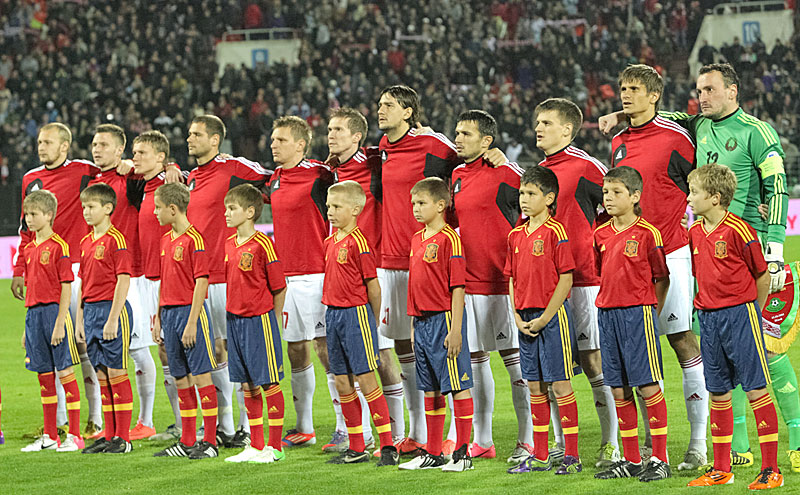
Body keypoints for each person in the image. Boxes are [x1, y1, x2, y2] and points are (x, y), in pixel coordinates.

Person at [606, 65, 707, 470]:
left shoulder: (675, 138)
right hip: (628, 261)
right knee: (637, 351)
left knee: (681, 340)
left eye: (634, 89)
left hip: (671, 255)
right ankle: (649, 446)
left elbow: (696, 187)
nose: (625, 95)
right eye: (622, 88)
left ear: (654, 95)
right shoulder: (617, 142)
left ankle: (698, 444)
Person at [685, 163, 783, 490]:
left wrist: (752, 312)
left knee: (755, 388)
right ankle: (721, 468)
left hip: (740, 315)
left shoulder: (738, 230)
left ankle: (771, 469)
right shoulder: (695, 231)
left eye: (694, 192)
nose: (689, 198)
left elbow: (762, 274)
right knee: (718, 391)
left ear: (714, 198)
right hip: (709, 320)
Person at [534, 98, 619, 467]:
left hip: (585, 279)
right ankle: (558, 441)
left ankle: (611, 441)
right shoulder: (537, 171)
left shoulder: (587, 167)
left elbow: (619, 208)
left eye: (547, 122)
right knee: (551, 364)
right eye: (538, 121)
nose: (539, 127)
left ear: (567, 129)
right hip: (548, 284)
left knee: (593, 359)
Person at [377, 85, 461, 455]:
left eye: (389, 105)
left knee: (440, 347)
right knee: (401, 346)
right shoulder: (381, 147)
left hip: (427, 259)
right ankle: (418, 429)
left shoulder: (433, 145)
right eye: (380, 104)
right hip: (390, 260)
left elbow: (466, 163)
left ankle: (457, 432)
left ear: (409, 112)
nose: (381, 110)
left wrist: (494, 153)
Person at [450, 109, 534, 463]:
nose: (457, 138)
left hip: (502, 282)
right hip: (470, 283)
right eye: (456, 132)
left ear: (487, 141)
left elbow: (539, 198)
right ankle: (482, 439)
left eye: (466, 134)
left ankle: (527, 439)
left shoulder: (506, 173)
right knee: (476, 361)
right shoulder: (455, 175)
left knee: (516, 365)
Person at [11, 123, 104, 439]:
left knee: (84, 342)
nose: (41, 146)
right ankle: (60, 422)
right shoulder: (30, 178)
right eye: (39, 141)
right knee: (53, 346)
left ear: (65, 146)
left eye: (48, 142)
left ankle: (96, 418)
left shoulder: (84, 171)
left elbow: (116, 175)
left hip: (77, 267)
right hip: (42, 270)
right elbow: (25, 231)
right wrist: (19, 269)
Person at [187, 114, 271, 447]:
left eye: (197, 134)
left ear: (215, 140)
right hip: (200, 276)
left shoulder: (233, 167)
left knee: (236, 350)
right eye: (190, 134)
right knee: (214, 352)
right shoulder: (192, 176)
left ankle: (247, 427)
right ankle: (224, 426)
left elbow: (270, 178)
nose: (190, 138)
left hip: (228, 274)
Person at [325, 107, 404, 453]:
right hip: (337, 279)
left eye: (339, 129)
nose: (331, 135)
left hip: (375, 266)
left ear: (357, 136)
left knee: (382, 359)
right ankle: (356, 437)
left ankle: (395, 434)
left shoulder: (376, 159)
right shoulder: (328, 170)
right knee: (337, 367)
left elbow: (403, 147)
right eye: (329, 128)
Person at [592, 166, 672, 482]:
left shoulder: (647, 233)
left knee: (648, 385)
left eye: (616, 192)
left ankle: (660, 459)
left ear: (635, 196)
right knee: (618, 387)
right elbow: (601, 273)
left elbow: (662, 278)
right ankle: (631, 459)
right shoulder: (599, 234)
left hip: (638, 314)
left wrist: (651, 312)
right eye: (605, 192)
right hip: (607, 314)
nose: (608, 198)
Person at [504, 166, 582, 475]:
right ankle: (539, 454)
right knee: (534, 387)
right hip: (524, 320)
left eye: (531, 194)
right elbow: (511, 279)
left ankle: (572, 457)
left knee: (560, 385)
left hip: (551, 319)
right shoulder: (515, 235)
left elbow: (566, 279)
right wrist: (517, 318)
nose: (523, 199)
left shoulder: (556, 232)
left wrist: (545, 318)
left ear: (549, 198)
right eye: (522, 193)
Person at [320, 180, 399, 467]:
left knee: (366, 378)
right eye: (329, 206)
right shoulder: (330, 242)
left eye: (337, 207)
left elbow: (373, 286)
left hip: (356, 315)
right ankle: (356, 446)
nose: (330, 211)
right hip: (333, 315)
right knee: (342, 380)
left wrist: (373, 319)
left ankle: (388, 445)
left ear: (355, 210)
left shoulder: (359, 242)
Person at [398, 177, 474, 472]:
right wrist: (415, 323)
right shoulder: (418, 238)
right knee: (430, 388)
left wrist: (455, 329)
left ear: (441, 205)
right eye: (414, 203)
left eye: (422, 203)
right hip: (422, 321)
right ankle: (432, 452)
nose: (416, 209)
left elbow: (458, 287)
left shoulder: (449, 239)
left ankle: (463, 454)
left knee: (457, 385)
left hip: (445, 320)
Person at [266, 116, 334, 447]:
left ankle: (346, 426)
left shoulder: (321, 175)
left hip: (318, 274)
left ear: (300, 145)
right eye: (272, 140)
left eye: (280, 140)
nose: (273, 145)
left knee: (326, 348)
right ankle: (304, 427)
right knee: (295, 348)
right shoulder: (275, 179)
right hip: (286, 278)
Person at [89, 124, 155, 441]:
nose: (96, 149)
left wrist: (170, 168)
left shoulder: (131, 178)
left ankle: (145, 419)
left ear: (119, 151)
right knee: (107, 352)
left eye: (103, 144)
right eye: (93, 144)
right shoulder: (93, 181)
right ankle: (112, 423)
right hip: (102, 279)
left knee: (138, 348)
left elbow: (161, 170)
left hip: (135, 273)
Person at [151, 182, 219, 459]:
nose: (155, 213)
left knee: (201, 376)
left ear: (172, 208)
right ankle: (188, 441)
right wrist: (158, 318)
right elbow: (164, 281)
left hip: (190, 315)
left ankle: (211, 442)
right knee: (180, 379)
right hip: (169, 314)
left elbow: (201, 282)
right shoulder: (165, 240)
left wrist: (192, 322)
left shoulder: (195, 239)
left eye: (158, 207)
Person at [129, 130, 188, 440]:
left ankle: (227, 425)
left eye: (142, 152)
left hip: (172, 278)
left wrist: (175, 168)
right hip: (149, 280)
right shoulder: (142, 186)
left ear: (161, 158)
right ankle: (181, 425)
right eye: (134, 152)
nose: (135, 156)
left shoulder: (172, 186)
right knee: (166, 351)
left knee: (192, 350)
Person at [222, 184, 287, 464]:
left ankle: (275, 448)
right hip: (234, 319)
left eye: (232, 208)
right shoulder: (228, 243)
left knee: (268, 383)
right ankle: (255, 445)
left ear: (250, 212)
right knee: (247, 384)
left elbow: (279, 286)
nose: (226, 213)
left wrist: (274, 322)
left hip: (259, 320)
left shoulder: (263, 244)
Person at [18, 190, 83, 453]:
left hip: (55, 314)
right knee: (44, 377)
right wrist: (26, 329)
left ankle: (75, 435)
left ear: (48, 215)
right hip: (34, 316)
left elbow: (66, 286)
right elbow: (32, 288)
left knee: (65, 373)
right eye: (26, 215)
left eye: (33, 214)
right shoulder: (29, 249)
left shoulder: (59, 246)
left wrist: (60, 321)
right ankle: (50, 435)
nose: (29, 220)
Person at [75, 183, 135, 455]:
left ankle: (123, 438)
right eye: (84, 207)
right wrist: (79, 321)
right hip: (90, 313)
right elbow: (83, 285)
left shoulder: (116, 239)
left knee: (116, 372)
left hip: (112, 311)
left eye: (91, 207)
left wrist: (113, 318)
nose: (86, 212)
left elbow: (124, 279)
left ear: (108, 208)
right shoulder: (85, 242)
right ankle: (109, 435)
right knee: (100, 374)